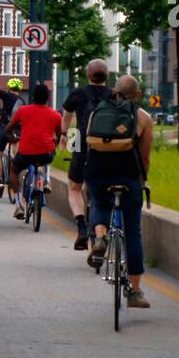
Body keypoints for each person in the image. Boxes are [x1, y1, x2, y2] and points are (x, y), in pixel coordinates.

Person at [85, 75, 154, 309]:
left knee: (99, 203)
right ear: (137, 94)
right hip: (127, 174)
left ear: (114, 90)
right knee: (132, 230)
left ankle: (101, 235)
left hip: (98, 171)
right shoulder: (143, 118)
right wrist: (143, 180)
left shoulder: (96, 112)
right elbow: (144, 157)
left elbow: (88, 143)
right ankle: (134, 291)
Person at [59, 59, 112, 250]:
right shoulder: (114, 94)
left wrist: (65, 135)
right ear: (107, 75)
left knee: (74, 188)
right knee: (100, 194)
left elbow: (66, 117)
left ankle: (81, 227)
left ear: (88, 75)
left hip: (83, 147)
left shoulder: (78, 94)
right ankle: (100, 235)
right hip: (109, 152)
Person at [5, 83, 62, 220]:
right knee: (49, 154)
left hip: (26, 153)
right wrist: (55, 143)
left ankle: (19, 205)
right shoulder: (55, 115)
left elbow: (9, 129)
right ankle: (46, 181)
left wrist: (13, 138)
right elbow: (58, 135)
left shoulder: (23, 110)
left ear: (33, 96)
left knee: (14, 170)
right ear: (48, 98)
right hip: (45, 153)